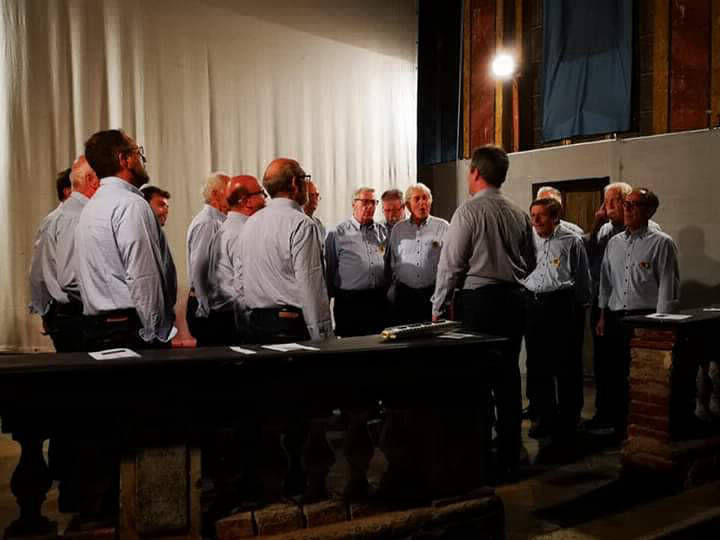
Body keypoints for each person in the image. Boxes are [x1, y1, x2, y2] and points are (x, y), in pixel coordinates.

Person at [431, 145, 535, 481]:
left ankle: (478, 455)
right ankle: (510, 453)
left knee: (476, 380)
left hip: (480, 303)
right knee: (508, 379)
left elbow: (450, 265)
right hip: (515, 301)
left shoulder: (468, 212)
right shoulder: (519, 213)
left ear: (474, 172)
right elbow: (531, 261)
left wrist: (437, 307)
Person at [75, 129, 177, 350]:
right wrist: (155, 332)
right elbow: (143, 276)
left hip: (98, 327)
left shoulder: (90, 207)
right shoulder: (132, 204)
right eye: (138, 152)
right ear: (124, 159)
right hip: (131, 330)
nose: (142, 158)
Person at [597, 188, 679, 437]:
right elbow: (605, 282)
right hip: (616, 317)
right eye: (626, 204)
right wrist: (602, 315)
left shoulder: (661, 243)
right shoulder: (614, 242)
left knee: (642, 376)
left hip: (645, 317)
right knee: (615, 374)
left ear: (649, 211)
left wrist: (662, 324)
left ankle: (642, 428)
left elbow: (668, 286)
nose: (627, 209)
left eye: (634, 205)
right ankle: (619, 427)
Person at [583, 181, 661, 433]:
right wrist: (597, 223)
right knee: (605, 364)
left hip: (637, 308)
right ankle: (605, 413)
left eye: (613, 202)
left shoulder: (652, 235)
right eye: (606, 202)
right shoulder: (608, 232)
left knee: (629, 366)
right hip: (607, 304)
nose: (608, 208)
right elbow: (593, 259)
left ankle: (629, 417)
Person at [241, 158, 333, 343]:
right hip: (290, 326)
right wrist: (323, 338)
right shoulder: (302, 224)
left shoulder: (250, 222)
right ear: (294, 183)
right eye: (305, 178)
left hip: (255, 325)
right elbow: (310, 286)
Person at [523, 198, 591, 440]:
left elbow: (582, 276)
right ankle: (544, 417)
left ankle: (569, 418)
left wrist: (581, 307)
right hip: (534, 303)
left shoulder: (571, 240)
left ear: (555, 217)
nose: (535, 220)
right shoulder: (527, 239)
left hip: (561, 304)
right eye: (533, 215)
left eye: (541, 215)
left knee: (566, 364)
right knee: (538, 364)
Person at [28, 167, 89, 351]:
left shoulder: (52, 221)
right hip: (73, 313)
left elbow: (37, 273)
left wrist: (44, 312)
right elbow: (40, 272)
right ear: (68, 191)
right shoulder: (66, 220)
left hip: (64, 313)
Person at [207, 175, 266, 344]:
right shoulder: (242, 232)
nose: (266, 199)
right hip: (234, 321)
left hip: (224, 317)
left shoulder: (227, 228)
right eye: (262, 193)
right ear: (247, 202)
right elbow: (245, 287)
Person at [326, 187, 389, 337]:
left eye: (373, 202)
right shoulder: (337, 233)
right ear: (354, 204)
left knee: (379, 344)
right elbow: (329, 271)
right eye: (365, 202)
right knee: (351, 346)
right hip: (350, 303)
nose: (370, 206)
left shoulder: (383, 231)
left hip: (378, 300)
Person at [386, 183, 449, 324]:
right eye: (417, 199)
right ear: (408, 205)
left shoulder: (443, 227)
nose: (422, 203)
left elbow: (450, 263)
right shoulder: (398, 229)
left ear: (430, 201)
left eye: (425, 198)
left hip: (432, 295)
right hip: (404, 296)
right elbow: (392, 262)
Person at [186, 172, 230, 345]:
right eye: (228, 190)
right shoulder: (208, 223)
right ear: (215, 194)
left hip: (213, 306)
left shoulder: (218, 221)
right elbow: (199, 265)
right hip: (209, 308)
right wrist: (203, 305)